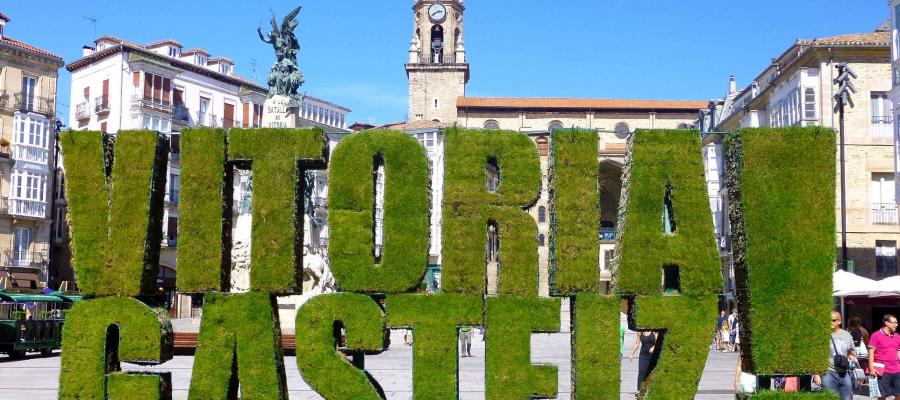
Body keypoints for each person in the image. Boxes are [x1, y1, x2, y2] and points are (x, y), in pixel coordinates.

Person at [813, 311, 856, 400]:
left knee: (847, 397)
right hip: (828, 372)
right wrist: (816, 374)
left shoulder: (846, 335)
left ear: (839, 321)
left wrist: (852, 356)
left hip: (844, 372)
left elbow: (853, 351)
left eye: (833, 320)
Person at [868, 314, 900, 399]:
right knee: (882, 396)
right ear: (887, 323)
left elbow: (898, 351)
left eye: (897, 323)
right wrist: (871, 368)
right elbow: (871, 352)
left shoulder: (897, 336)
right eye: (894, 323)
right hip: (882, 371)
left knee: (899, 394)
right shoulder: (876, 335)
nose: (896, 325)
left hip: (897, 370)